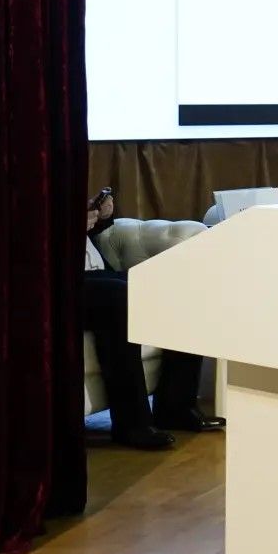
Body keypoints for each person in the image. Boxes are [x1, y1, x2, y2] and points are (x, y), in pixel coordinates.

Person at [83, 188, 222, 450]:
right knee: (119, 296)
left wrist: (100, 216)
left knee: (177, 285)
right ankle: (132, 424)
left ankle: (176, 407)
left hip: (98, 274)